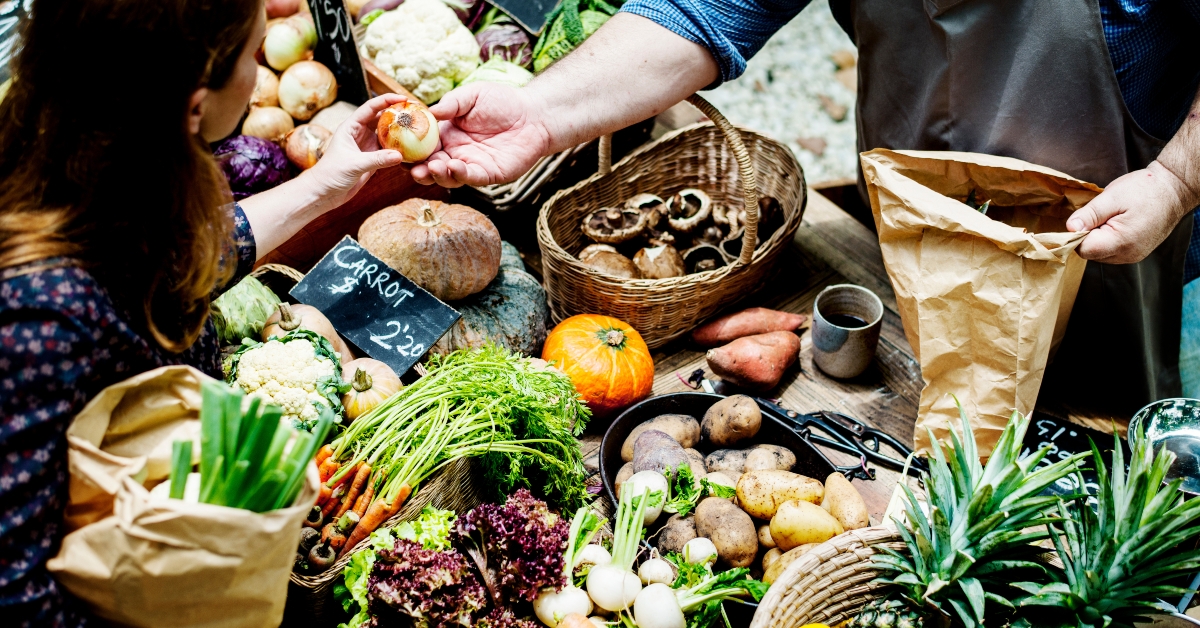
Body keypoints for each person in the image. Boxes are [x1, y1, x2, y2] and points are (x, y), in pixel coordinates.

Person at [411, 0, 1200, 413]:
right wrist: (543, 114)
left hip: (1105, 227)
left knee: (1093, 416)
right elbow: (702, 10)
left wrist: (1174, 181)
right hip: (912, 205)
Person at [0, 0, 406, 624]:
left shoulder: (89, 158)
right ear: (195, 104)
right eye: (253, 52)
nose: (260, 64)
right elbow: (17, 592)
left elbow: (172, 264)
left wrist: (326, 184)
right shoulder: (40, 320)